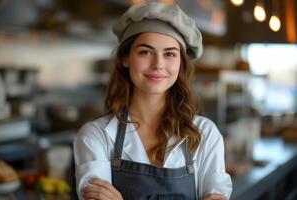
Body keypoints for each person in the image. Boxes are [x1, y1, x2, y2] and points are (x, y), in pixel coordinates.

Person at [74, 2, 232, 200]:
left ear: (180, 63)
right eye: (145, 52)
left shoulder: (204, 134)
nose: (158, 64)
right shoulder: (95, 137)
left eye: (169, 54)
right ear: (125, 58)